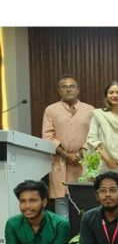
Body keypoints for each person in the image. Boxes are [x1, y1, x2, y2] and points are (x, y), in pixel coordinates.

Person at [41, 74, 95, 218]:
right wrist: (66, 155)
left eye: (72, 86)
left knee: (85, 202)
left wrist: (80, 153)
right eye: (64, 87)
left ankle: (85, 240)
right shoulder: (51, 110)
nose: (68, 90)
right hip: (60, 162)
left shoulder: (90, 110)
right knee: (62, 204)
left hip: (84, 162)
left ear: (78, 90)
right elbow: (47, 137)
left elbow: (94, 136)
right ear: (59, 91)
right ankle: (63, 240)